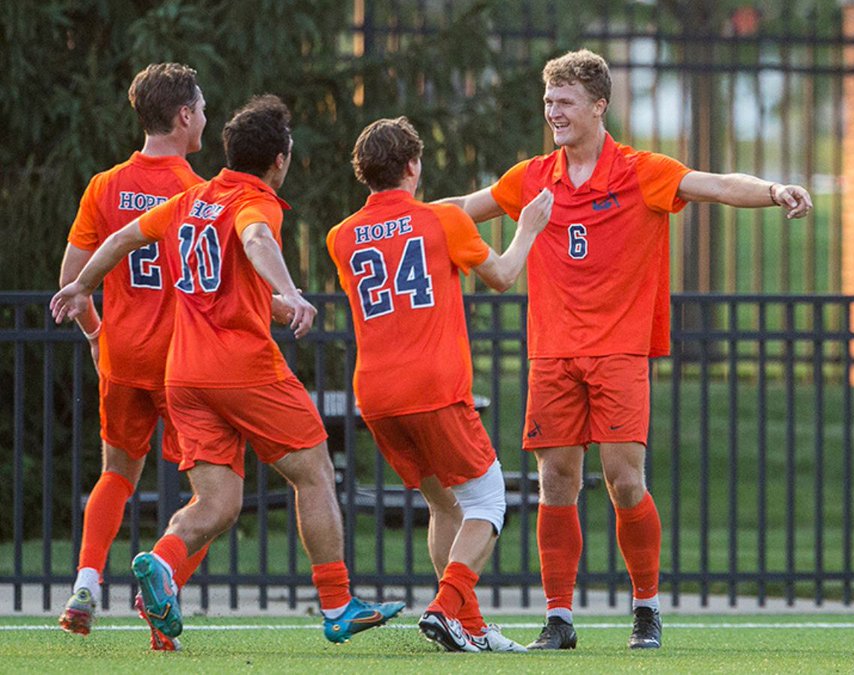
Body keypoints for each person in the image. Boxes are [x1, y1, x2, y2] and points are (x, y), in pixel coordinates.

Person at [439, 48, 813, 650]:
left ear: (598, 106)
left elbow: (715, 185)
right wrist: (389, 218)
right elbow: (462, 211)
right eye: (548, 102)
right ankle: (558, 620)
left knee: (624, 482)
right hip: (553, 353)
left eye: (564, 102)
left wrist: (773, 189)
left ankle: (646, 609)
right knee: (555, 481)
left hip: (619, 351)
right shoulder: (532, 177)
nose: (552, 112)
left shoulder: (642, 170)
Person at [51, 95, 403, 646]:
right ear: (279, 160)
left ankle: (161, 566)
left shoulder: (193, 199)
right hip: (241, 366)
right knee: (313, 470)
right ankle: (337, 604)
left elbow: (121, 239)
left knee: (218, 503)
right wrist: (290, 292)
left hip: (184, 375)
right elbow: (257, 239)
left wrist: (83, 285)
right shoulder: (253, 202)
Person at [326, 117, 553, 652]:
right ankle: (446, 606)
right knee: (489, 499)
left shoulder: (341, 237)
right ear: (413, 166)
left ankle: (468, 625)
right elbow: (501, 276)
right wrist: (529, 227)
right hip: (431, 386)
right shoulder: (442, 220)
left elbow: (389, 248)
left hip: (377, 395)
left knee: (445, 505)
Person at [56, 62, 213, 651]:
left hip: (121, 358)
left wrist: (98, 335)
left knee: (117, 475)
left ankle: (86, 584)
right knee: (214, 497)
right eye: (200, 108)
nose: (204, 118)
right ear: (182, 116)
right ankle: (159, 600)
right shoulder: (194, 192)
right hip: (181, 363)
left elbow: (71, 282)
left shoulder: (104, 185)